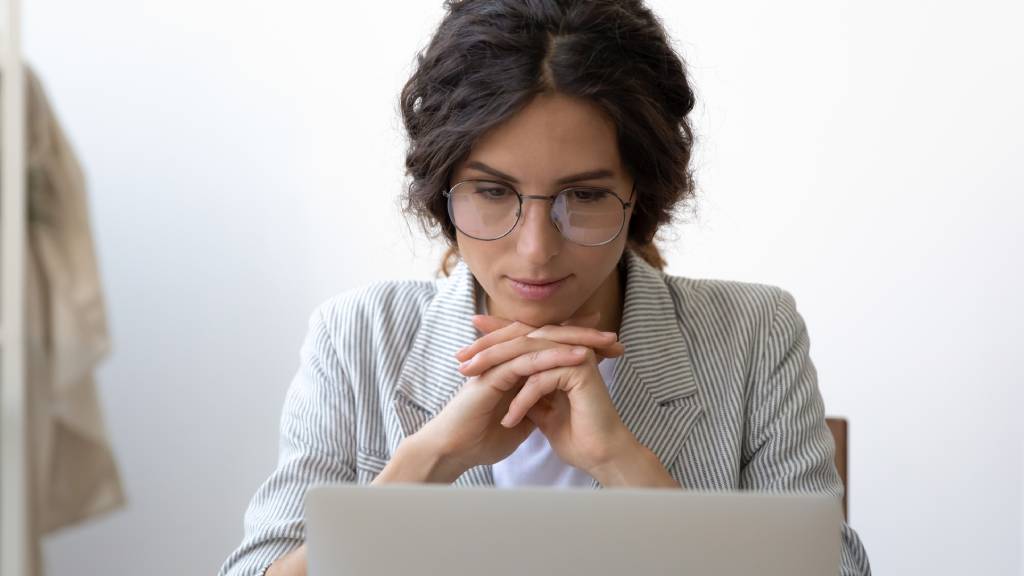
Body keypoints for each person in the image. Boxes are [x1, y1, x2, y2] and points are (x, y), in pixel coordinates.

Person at [218, 1, 872, 575]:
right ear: (444, 193)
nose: (535, 250)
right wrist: (431, 459)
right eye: (494, 192)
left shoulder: (753, 334)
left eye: (584, 196)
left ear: (637, 191)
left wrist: (622, 464)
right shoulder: (358, 336)